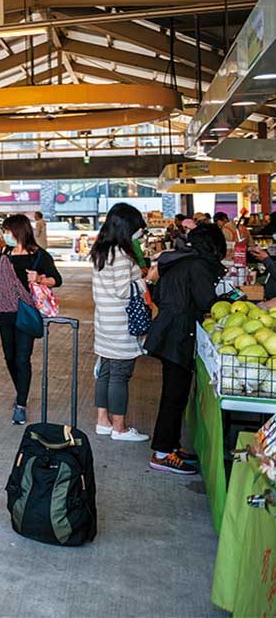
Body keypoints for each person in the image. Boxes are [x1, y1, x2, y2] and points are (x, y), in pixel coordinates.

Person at [144, 223, 225, 474]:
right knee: (174, 396)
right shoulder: (198, 265)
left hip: (169, 331)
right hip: (178, 335)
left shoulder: (179, 260)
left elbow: (157, 294)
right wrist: (226, 301)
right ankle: (162, 453)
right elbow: (205, 301)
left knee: (175, 394)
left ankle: (171, 446)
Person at [0, 214, 62, 425]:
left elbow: (57, 279)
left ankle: (21, 404)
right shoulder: (1, 254)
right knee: (9, 358)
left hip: (26, 312)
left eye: (8, 231)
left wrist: (38, 278)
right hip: (4, 311)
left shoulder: (39, 255)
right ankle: (22, 391)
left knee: (22, 358)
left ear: (18, 231)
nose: (6, 235)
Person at [90, 203, 151, 443]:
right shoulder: (122, 255)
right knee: (120, 375)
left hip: (105, 321)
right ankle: (120, 428)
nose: (140, 232)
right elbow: (124, 291)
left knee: (105, 373)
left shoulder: (101, 251)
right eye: (137, 228)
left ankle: (102, 421)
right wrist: (148, 279)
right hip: (121, 326)